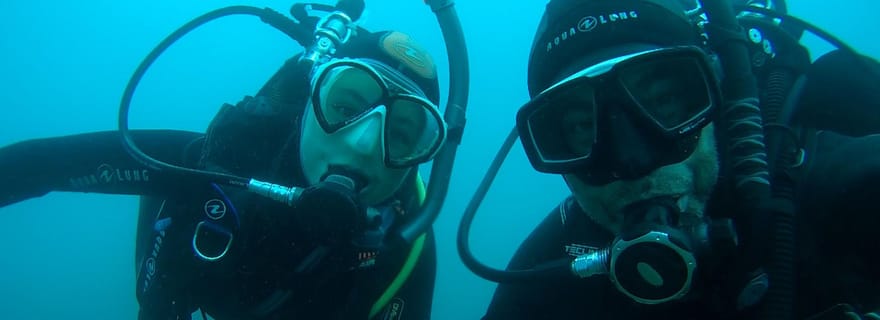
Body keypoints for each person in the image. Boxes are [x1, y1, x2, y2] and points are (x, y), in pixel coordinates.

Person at [0, 25, 446, 319]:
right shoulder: (215, 160)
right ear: (306, 105)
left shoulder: (403, 254)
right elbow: (37, 165)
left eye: (403, 135)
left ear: (424, 156)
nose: (362, 143)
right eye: (344, 107)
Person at [478, 0, 880, 319]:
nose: (635, 163)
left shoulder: (837, 191)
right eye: (584, 128)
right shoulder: (549, 278)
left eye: (664, 103)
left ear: (719, 98)